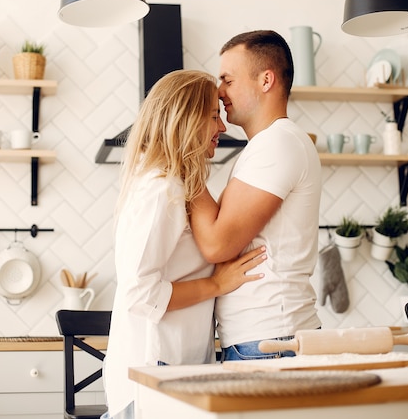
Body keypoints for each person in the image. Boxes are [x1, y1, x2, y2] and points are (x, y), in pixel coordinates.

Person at [102, 69, 267, 419]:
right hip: (152, 373)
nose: (221, 127)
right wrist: (216, 284)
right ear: (184, 119)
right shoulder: (161, 189)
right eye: (212, 116)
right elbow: (140, 293)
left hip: (172, 368)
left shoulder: (177, 185)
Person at [190, 30, 322, 361]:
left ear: (266, 80)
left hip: (270, 340)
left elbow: (218, 244)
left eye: (228, 80)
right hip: (268, 337)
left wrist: (181, 161)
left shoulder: (276, 144)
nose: (219, 92)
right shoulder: (267, 145)